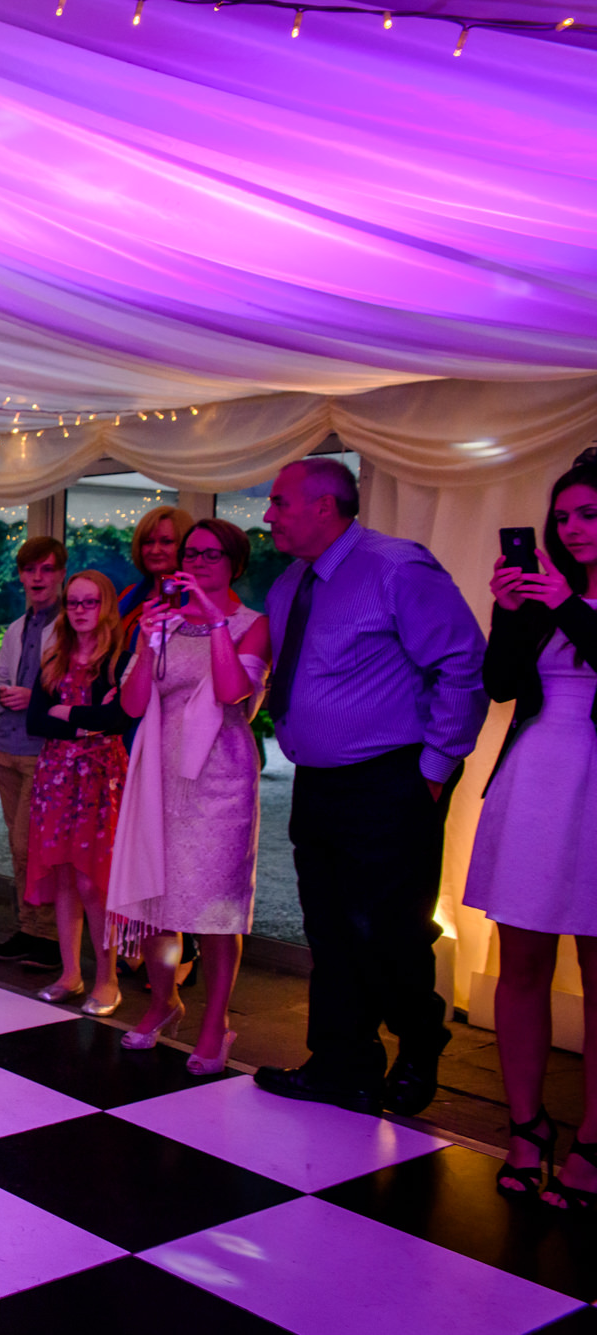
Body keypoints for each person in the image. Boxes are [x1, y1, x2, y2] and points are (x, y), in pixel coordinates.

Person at [252, 456, 487, 1116]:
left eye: (278, 502)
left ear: (325, 506)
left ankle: (420, 1042)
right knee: (327, 928)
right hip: (318, 782)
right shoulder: (288, 584)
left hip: (391, 779)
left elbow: (462, 664)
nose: (268, 514)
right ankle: (342, 1061)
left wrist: (436, 769)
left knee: (388, 928)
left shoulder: (396, 567)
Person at [466, 448, 597, 1209]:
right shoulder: (544, 593)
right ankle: (526, 1125)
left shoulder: (570, 600)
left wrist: (567, 603)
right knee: (522, 962)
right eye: (565, 515)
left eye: (589, 514)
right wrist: (513, 611)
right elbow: (501, 686)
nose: (573, 528)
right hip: (538, 778)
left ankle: (593, 1139)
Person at [112, 519, 272, 1073]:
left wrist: (215, 623)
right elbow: (132, 706)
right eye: (191, 553)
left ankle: (215, 1023)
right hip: (159, 769)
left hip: (220, 778)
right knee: (158, 902)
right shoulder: (165, 622)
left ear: (235, 563)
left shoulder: (254, 625)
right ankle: (164, 1002)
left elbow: (233, 694)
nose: (198, 561)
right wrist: (146, 641)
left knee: (215, 907)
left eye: (211, 554)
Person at [24, 571, 133, 1015]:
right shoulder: (56, 657)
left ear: (105, 605)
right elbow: (36, 721)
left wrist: (65, 711)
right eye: (73, 603)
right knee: (65, 877)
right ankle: (71, 974)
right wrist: (85, 717)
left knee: (95, 881)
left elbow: (119, 719)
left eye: (89, 602)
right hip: (56, 778)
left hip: (100, 777)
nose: (81, 610)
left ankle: (108, 980)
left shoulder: (120, 660)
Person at [0, 535, 66, 968]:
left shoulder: (70, 626)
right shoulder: (17, 627)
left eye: (47, 569)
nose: (38, 577)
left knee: (33, 846)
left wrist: (31, 696)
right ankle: (28, 928)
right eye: (30, 570)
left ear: (60, 575)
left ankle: (49, 938)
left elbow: (73, 693)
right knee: (19, 848)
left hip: (43, 751)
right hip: (7, 747)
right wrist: (1, 695)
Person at [117, 505, 195, 639]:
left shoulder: (205, 598)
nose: (155, 550)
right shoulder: (128, 595)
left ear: (186, 546)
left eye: (166, 542)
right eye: (148, 542)